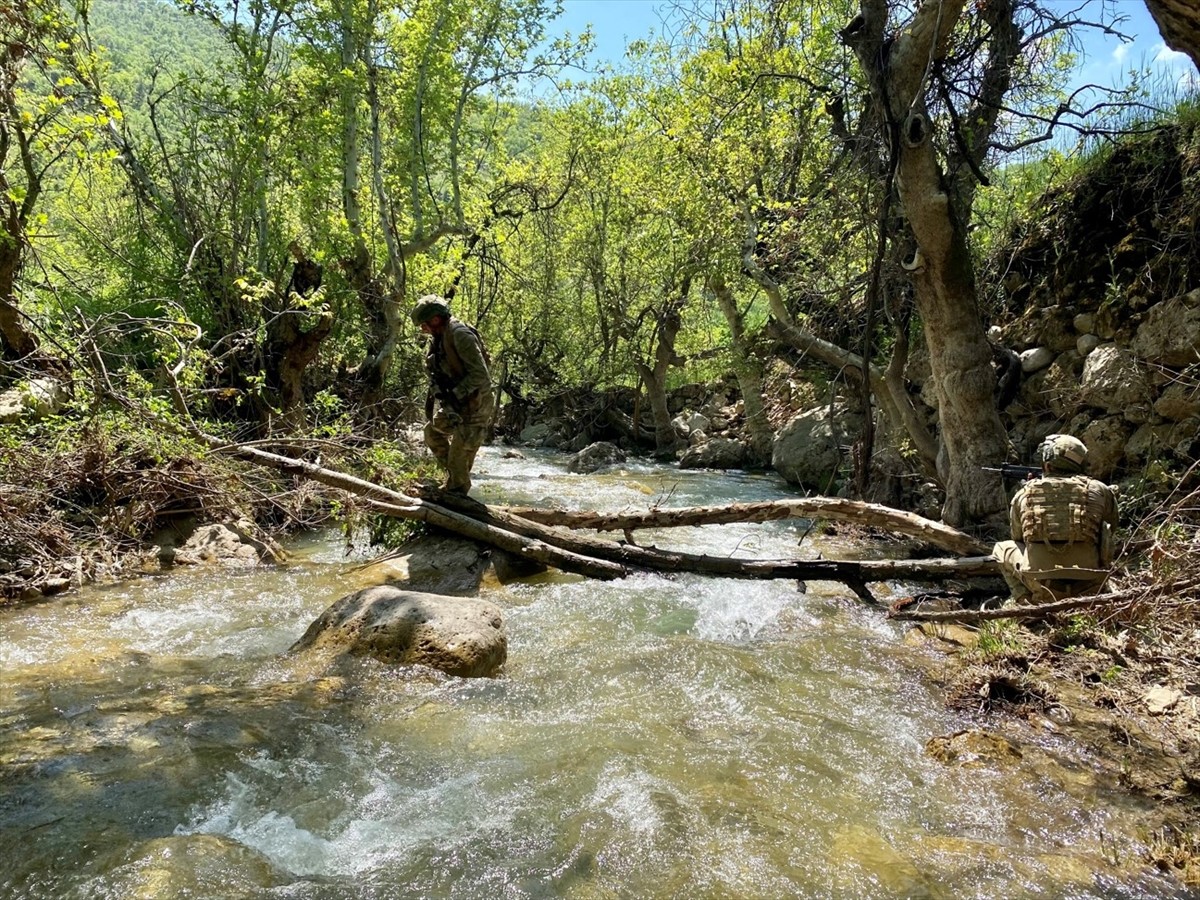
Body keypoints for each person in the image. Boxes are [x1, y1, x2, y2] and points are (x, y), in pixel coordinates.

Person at [991, 434, 1118, 604]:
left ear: (1047, 464)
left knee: (1001, 548)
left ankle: (1026, 602)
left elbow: (1018, 537)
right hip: (1092, 585)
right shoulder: (1100, 490)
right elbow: (1112, 528)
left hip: (1045, 588)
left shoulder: (1024, 493)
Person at [411, 296, 494, 495]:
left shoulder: (460, 335)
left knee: (459, 463)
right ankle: (456, 477)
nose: (423, 329)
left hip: (476, 405)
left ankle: (458, 494)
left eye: (424, 324)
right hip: (457, 404)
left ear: (436, 320)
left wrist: (456, 394)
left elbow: (481, 376)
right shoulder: (439, 339)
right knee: (432, 433)